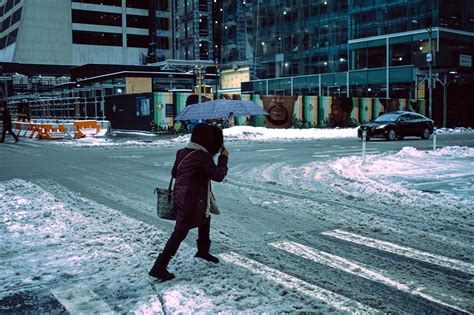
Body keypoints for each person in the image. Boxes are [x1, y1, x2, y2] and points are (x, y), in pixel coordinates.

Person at [149, 123, 229, 281]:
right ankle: (159, 267)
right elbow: (218, 175)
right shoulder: (202, 157)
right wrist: (223, 157)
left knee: (205, 219)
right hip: (190, 200)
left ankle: (203, 251)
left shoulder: (183, 152)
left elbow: (175, 172)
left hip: (183, 196)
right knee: (180, 232)